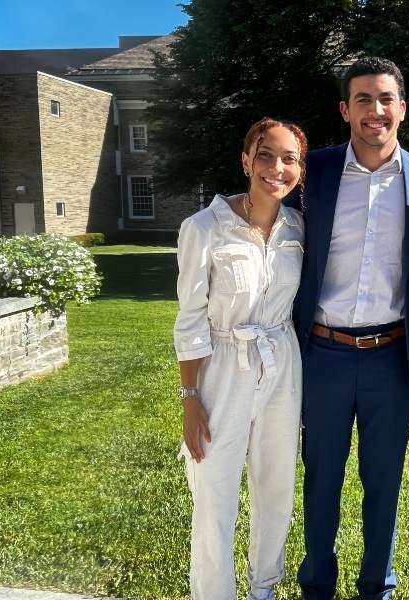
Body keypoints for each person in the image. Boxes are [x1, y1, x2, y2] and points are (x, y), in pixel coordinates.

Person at [286, 57, 409, 600]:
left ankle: (377, 584)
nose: (374, 111)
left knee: (384, 481)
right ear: (345, 109)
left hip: (392, 355)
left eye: (385, 99)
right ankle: (316, 584)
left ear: (402, 108)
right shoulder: (315, 170)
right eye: (362, 100)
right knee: (321, 477)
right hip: (323, 352)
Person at [173, 117, 308, 600]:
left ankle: (263, 589)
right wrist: (191, 399)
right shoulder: (205, 227)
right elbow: (189, 320)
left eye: (289, 158)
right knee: (214, 496)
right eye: (266, 154)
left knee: (275, 486)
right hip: (222, 367)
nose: (277, 167)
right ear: (246, 160)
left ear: (300, 168)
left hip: (280, 362)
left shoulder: (298, 226)